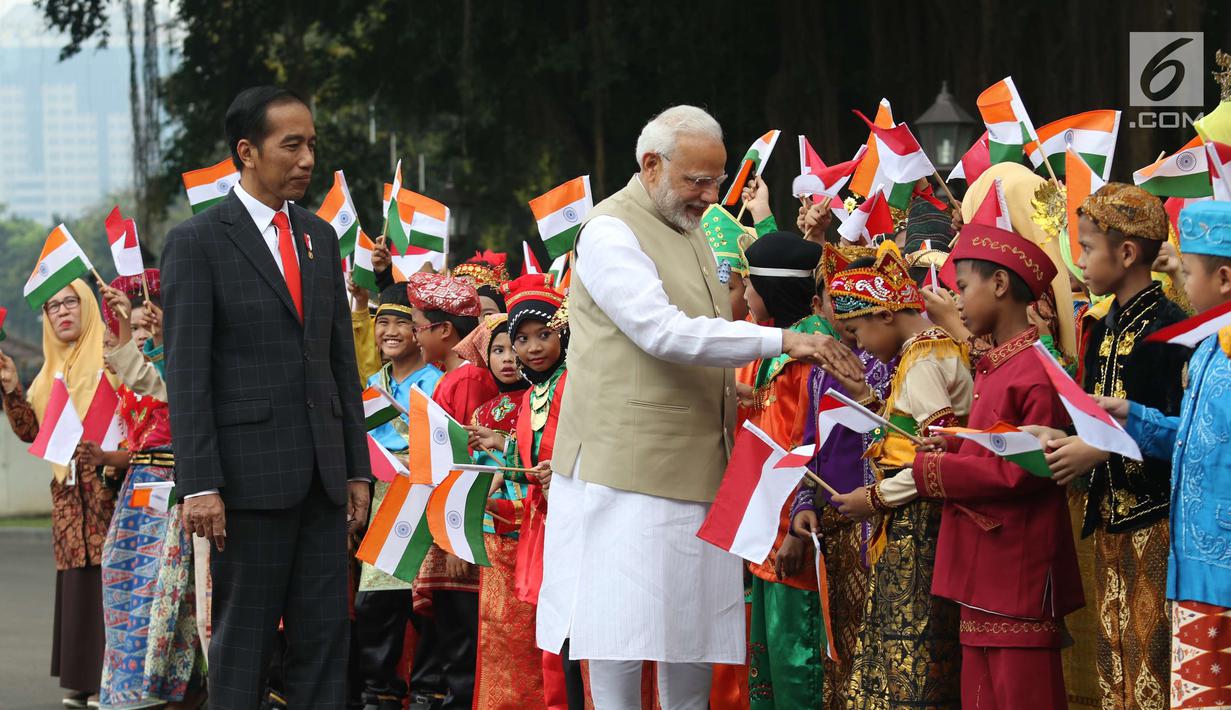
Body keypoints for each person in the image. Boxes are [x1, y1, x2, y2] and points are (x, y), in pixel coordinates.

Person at [537, 104, 857, 709]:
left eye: (717, 180)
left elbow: (697, 338)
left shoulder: (692, 232)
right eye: (697, 181)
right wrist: (785, 338)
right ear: (650, 165)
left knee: (689, 635)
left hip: (699, 466)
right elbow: (662, 332)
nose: (711, 196)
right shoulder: (611, 231)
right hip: (624, 470)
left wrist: (724, 390)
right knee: (618, 632)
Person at [161, 85, 372, 709]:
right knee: (243, 648)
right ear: (247, 152)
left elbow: (340, 366)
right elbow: (187, 373)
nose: (308, 159)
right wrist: (200, 484)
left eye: (312, 144)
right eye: (292, 145)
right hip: (246, 488)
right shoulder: (197, 242)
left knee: (325, 644)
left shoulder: (319, 237)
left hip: (323, 483)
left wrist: (356, 469)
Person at [912, 222, 1083, 708]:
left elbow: (1023, 468)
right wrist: (953, 448)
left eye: (963, 286)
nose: (956, 300)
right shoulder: (1000, 366)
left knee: (1021, 695)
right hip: (988, 563)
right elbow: (996, 452)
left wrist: (935, 473)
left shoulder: (1033, 370)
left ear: (1001, 285)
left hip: (1018, 567)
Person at [1045, 184, 1189, 710]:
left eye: (1085, 247)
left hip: (1158, 520)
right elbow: (1093, 419)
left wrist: (1100, 450)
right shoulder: (1101, 331)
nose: (1078, 259)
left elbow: (1185, 432)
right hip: (1108, 522)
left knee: (1150, 659)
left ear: (1127, 254)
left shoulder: (1175, 329)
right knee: (1113, 662)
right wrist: (1061, 440)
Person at [823, 244, 971, 710]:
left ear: (885, 314)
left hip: (920, 525)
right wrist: (869, 399)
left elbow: (937, 455)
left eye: (857, 329)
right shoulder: (930, 349)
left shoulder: (923, 359)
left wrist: (876, 497)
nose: (859, 343)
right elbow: (913, 434)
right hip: (918, 519)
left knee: (912, 648)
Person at [1104, 200, 1231, 709]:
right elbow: (1191, 439)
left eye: (1187, 272)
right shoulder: (1209, 350)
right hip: (1196, 573)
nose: (1180, 282)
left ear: (1222, 278)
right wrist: (1131, 414)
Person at [790, 242, 897, 710]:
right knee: (839, 654)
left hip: (883, 527)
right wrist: (804, 506)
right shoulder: (819, 371)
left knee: (884, 655)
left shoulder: (897, 362)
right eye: (836, 300)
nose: (846, 309)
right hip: (833, 532)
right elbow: (813, 445)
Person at [0, 280, 114, 708]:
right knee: (78, 589)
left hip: (108, 496)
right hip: (68, 504)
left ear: (87, 305)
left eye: (70, 302)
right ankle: (83, 679)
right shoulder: (49, 373)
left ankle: (114, 679)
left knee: (111, 584)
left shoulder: (110, 355)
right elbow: (35, 434)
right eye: (52, 307)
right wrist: (12, 388)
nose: (62, 312)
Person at [738, 232, 827, 708]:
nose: (745, 294)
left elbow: (811, 446)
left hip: (794, 534)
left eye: (749, 283)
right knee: (768, 662)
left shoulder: (813, 355)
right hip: (765, 533)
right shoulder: (778, 350)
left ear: (771, 291)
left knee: (799, 663)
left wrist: (795, 528)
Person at [404, 271, 493, 710]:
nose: (414, 337)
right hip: (448, 521)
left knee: (461, 644)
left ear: (444, 330)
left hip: (458, 526)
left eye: (418, 326)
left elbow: (465, 463)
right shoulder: (452, 377)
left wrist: (458, 540)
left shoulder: (467, 380)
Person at [353, 283, 444, 710]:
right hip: (381, 494)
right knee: (376, 601)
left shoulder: (438, 380)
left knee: (422, 599)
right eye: (382, 322)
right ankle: (381, 690)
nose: (390, 331)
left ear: (421, 331)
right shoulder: (375, 381)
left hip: (421, 492)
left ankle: (427, 687)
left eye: (401, 323)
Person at [459, 312, 544, 710]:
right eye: (499, 349)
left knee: (538, 635)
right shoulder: (481, 413)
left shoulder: (540, 399)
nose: (510, 357)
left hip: (534, 526)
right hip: (495, 533)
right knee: (498, 633)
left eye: (516, 347)